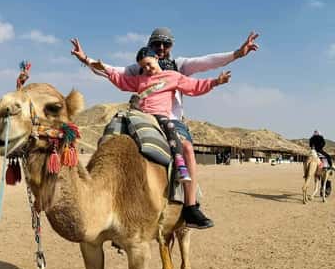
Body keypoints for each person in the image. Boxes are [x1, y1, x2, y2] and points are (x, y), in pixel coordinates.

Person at [70, 28, 258, 227]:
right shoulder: (139, 71)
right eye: (156, 44)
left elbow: (206, 63)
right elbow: (112, 72)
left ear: (171, 47)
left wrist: (236, 55)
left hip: (171, 120)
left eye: (165, 44)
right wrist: (86, 59)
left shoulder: (178, 69)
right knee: (113, 140)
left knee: (185, 149)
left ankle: (191, 207)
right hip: (140, 117)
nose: (161, 48)